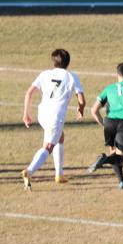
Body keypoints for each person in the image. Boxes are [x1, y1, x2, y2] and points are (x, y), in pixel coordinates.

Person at [20, 49, 85, 190]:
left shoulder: (45, 74)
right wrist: (81, 109)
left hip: (42, 113)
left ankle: (59, 174)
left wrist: (26, 113)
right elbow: (81, 98)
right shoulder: (72, 76)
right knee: (48, 146)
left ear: (53, 60)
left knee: (60, 137)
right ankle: (29, 171)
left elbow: (29, 92)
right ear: (68, 61)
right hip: (55, 117)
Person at [86, 62, 123, 189]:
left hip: (109, 122)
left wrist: (104, 124)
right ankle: (104, 160)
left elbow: (93, 110)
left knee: (114, 152)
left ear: (117, 75)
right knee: (121, 158)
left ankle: (122, 181)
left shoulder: (109, 88)